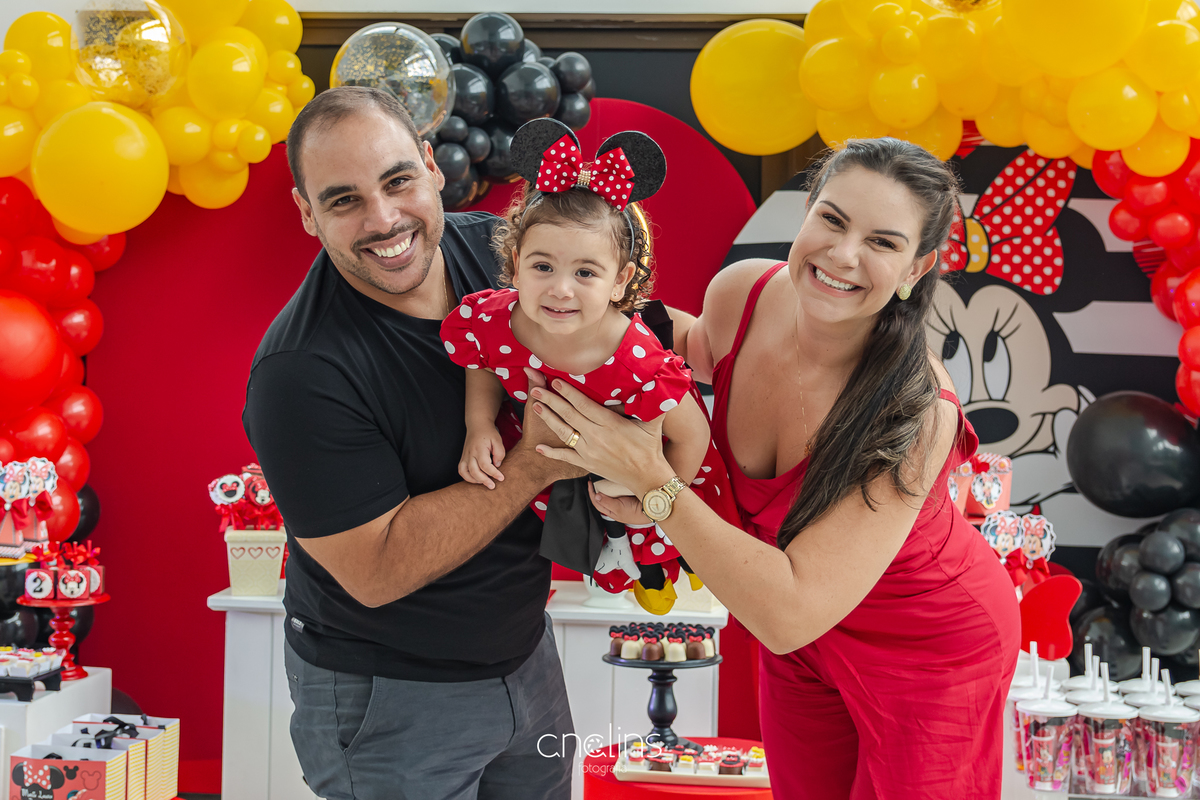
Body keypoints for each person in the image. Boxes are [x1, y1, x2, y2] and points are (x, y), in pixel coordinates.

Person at [527, 138, 1022, 798]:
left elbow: (789, 609)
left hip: (927, 647)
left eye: (882, 242)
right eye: (833, 219)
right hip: (802, 642)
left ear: (917, 266)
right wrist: (569, 302)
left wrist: (653, 485)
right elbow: (685, 349)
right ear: (808, 210)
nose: (843, 255)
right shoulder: (744, 294)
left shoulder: (915, 411)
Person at [242, 86, 579, 800]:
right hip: (390, 696)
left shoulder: (496, 249)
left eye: (398, 181)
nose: (384, 219)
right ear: (308, 215)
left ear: (432, 166)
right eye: (343, 200)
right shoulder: (300, 373)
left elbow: (604, 333)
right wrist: (536, 462)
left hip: (526, 655)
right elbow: (378, 568)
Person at [439, 118, 737, 613]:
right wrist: (478, 423)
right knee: (588, 527)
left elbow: (691, 436)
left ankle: (658, 569)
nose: (560, 288)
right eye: (542, 267)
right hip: (556, 460)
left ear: (619, 282)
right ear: (514, 264)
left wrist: (658, 502)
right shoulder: (493, 319)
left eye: (585, 272)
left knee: (638, 531)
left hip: (642, 463)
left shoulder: (634, 356)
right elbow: (483, 362)